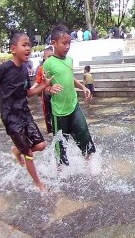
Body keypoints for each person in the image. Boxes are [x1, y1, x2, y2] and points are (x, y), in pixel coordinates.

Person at [0, 30, 52, 191]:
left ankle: (17, 150)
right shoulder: (5, 68)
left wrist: (44, 85)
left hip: (24, 112)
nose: (28, 48)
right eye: (24, 45)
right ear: (13, 49)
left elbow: (27, 92)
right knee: (29, 152)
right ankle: (38, 184)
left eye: (29, 45)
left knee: (42, 145)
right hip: (11, 117)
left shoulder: (24, 69)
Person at [43, 24, 96, 166]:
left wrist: (82, 87)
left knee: (84, 135)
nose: (67, 46)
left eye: (69, 43)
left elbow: (69, 78)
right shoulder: (48, 64)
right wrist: (50, 89)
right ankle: (59, 174)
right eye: (64, 43)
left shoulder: (69, 60)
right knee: (61, 146)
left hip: (74, 106)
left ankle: (90, 168)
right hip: (59, 112)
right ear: (53, 43)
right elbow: (44, 87)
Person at [31, 46, 54, 135]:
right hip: (45, 93)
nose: (50, 58)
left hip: (55, 93)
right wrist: (32, 89)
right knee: (47, 111)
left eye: (52, 56)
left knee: (56, 110)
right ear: (44, 57)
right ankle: (49, 130)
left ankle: (57, 128)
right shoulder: (41, 68)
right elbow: (38, 81)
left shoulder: (55, 67)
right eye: (48, 56)